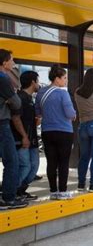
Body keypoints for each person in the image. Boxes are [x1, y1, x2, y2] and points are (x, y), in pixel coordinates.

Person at [35, 64, 76, 200]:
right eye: (64, 78)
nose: (66, 80)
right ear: (57, 79)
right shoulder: (63, 93)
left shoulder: (41, 93)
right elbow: (70, 113)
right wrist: (74, 115)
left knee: (51, 162)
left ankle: (53, 191)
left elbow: (38, 113)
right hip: (64, 131)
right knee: (63, 162)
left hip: (47, 131)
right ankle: (62, 191)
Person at [0, 49, 27, 209]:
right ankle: (8, 198)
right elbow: (16, 102)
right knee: (12, 161)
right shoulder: (3, 79)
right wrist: (9, 101)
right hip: (2, 123)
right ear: (4, 63)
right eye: (11, 60)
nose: (13, 63)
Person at [11, 71, 41, 201]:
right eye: (38, 81)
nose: (39, 84)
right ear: (33, 82)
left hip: (32, 138)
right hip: (22, 139)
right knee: (25, 166)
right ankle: (11, 191)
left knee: (34, 167)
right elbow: (16, 118)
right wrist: (24, 136)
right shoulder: (20, 98)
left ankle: (21, 190)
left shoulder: (29, 99)